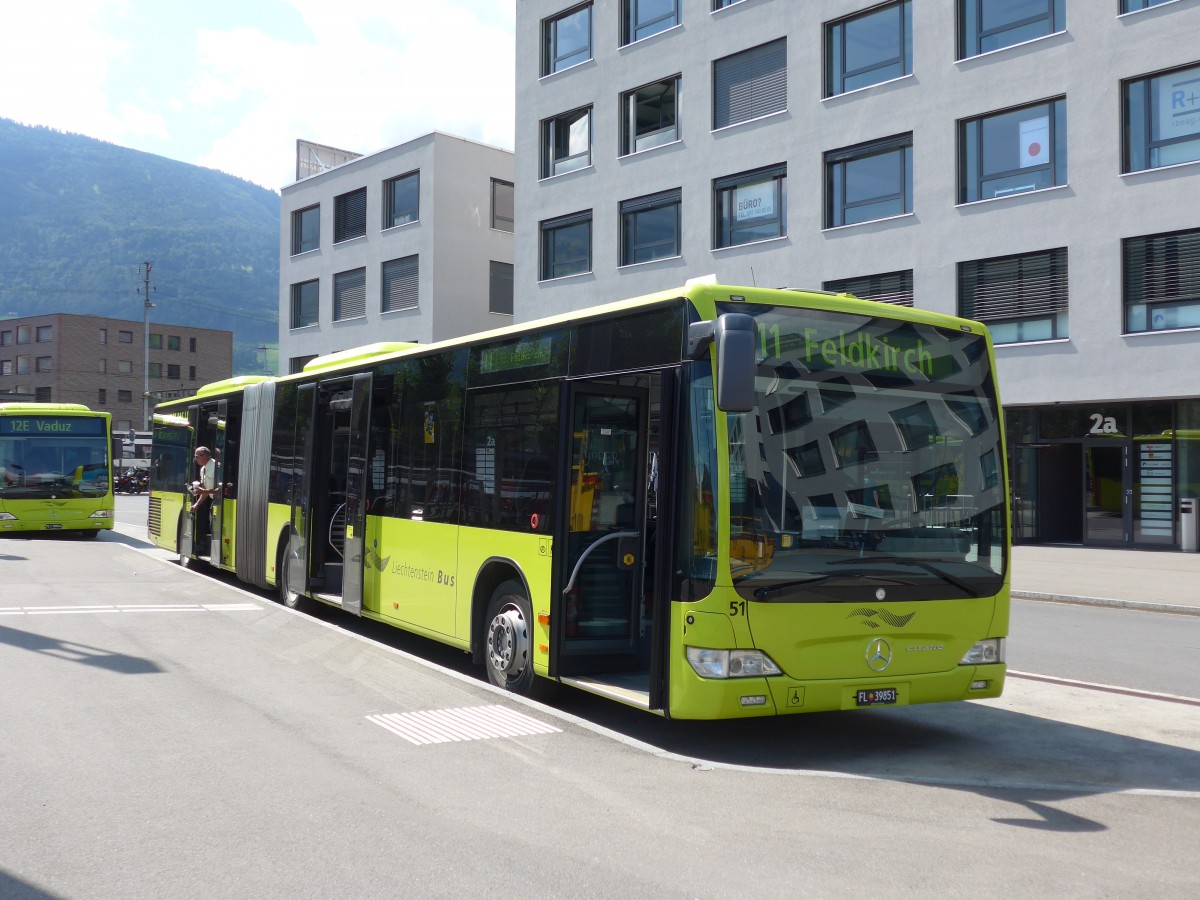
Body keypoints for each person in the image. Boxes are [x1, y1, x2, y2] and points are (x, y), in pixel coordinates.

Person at [191, 446, 217, 552]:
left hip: (219, 502)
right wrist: (197, 504)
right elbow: (205, 491)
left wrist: (204, 491)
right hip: (213, 502)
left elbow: (220, 489)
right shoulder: (203, 469)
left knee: (214, 527)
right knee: (212, 525)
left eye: (197, 457)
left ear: (204, 456)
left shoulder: (216, 466)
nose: (195, 459)